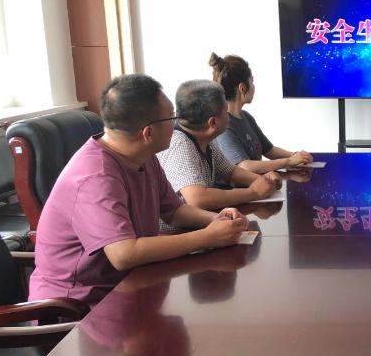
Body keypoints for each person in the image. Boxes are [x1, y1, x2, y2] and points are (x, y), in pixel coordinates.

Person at [29, 74, 249, 308]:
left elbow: (174, 211)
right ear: (148, 133)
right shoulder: (95, 175)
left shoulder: (143, 156)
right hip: (78, 307)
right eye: (172, 117)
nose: (177, 125)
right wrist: (207, 237)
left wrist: (216, 219)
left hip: (128, 285)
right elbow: (124, 254)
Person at [157, 80, 282, 211]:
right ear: (212, 123)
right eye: (226, 111)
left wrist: (264, 181)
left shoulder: (203, 139)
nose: (229, 116)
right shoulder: (179, 144)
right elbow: (198, 199)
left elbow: (230, 172)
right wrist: (253, 193)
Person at [209, 52, 313, 172]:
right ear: (242, 88)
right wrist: (288, 161)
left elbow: (270, 150)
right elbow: (245, 167)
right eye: (252, 81)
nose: (254, 86)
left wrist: (296, 155)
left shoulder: (246, 117)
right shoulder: (224, 126)